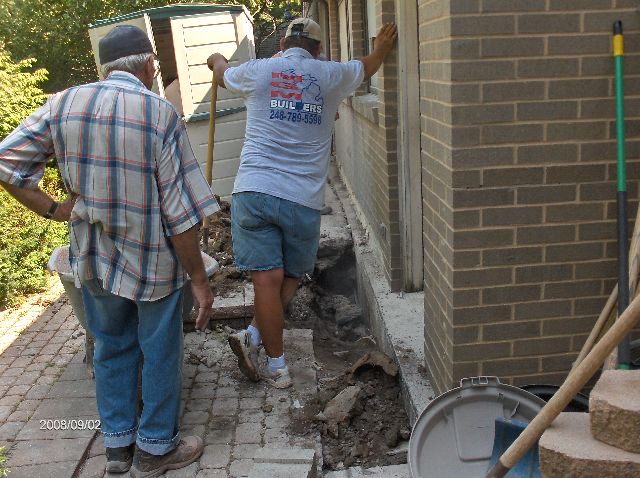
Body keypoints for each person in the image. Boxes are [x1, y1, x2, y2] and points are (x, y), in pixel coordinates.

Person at [0, 25, 219, 477]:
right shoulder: (160, 115)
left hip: (94, 255)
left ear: (104, 68)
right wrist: (198, 278)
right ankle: (156, 449)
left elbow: (6, 163)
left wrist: (53, 210)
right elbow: (180, 215)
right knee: (159, 349)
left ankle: (118, 448)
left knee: (111, 345)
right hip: (152, 261)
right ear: (149, 65)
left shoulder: (63, 104)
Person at [207, 18, 397, 389]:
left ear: (282, 42)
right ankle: (260, 343)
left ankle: (269, 357)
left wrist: (215, 59)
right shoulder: (330, 76)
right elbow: (367, 66)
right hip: (301, 199)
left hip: (254, 190)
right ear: (319, 48)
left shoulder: (259, 70)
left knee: (266, 279)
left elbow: (223, 74)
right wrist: (384, 48)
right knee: (292, 275)